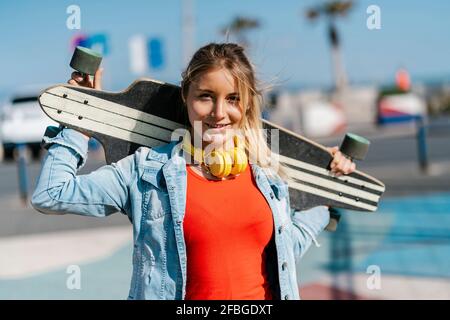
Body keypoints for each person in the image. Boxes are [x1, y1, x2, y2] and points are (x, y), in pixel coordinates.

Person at [31, 43, 356, 300]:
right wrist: (79, 124)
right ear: (185, 97)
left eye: (233, 99)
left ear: (246, 106)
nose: (219, 113)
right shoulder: (145, 173)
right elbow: (52, 195)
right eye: (205, 97)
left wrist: (332, 191)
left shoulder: (268, 177)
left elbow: (288, 245)